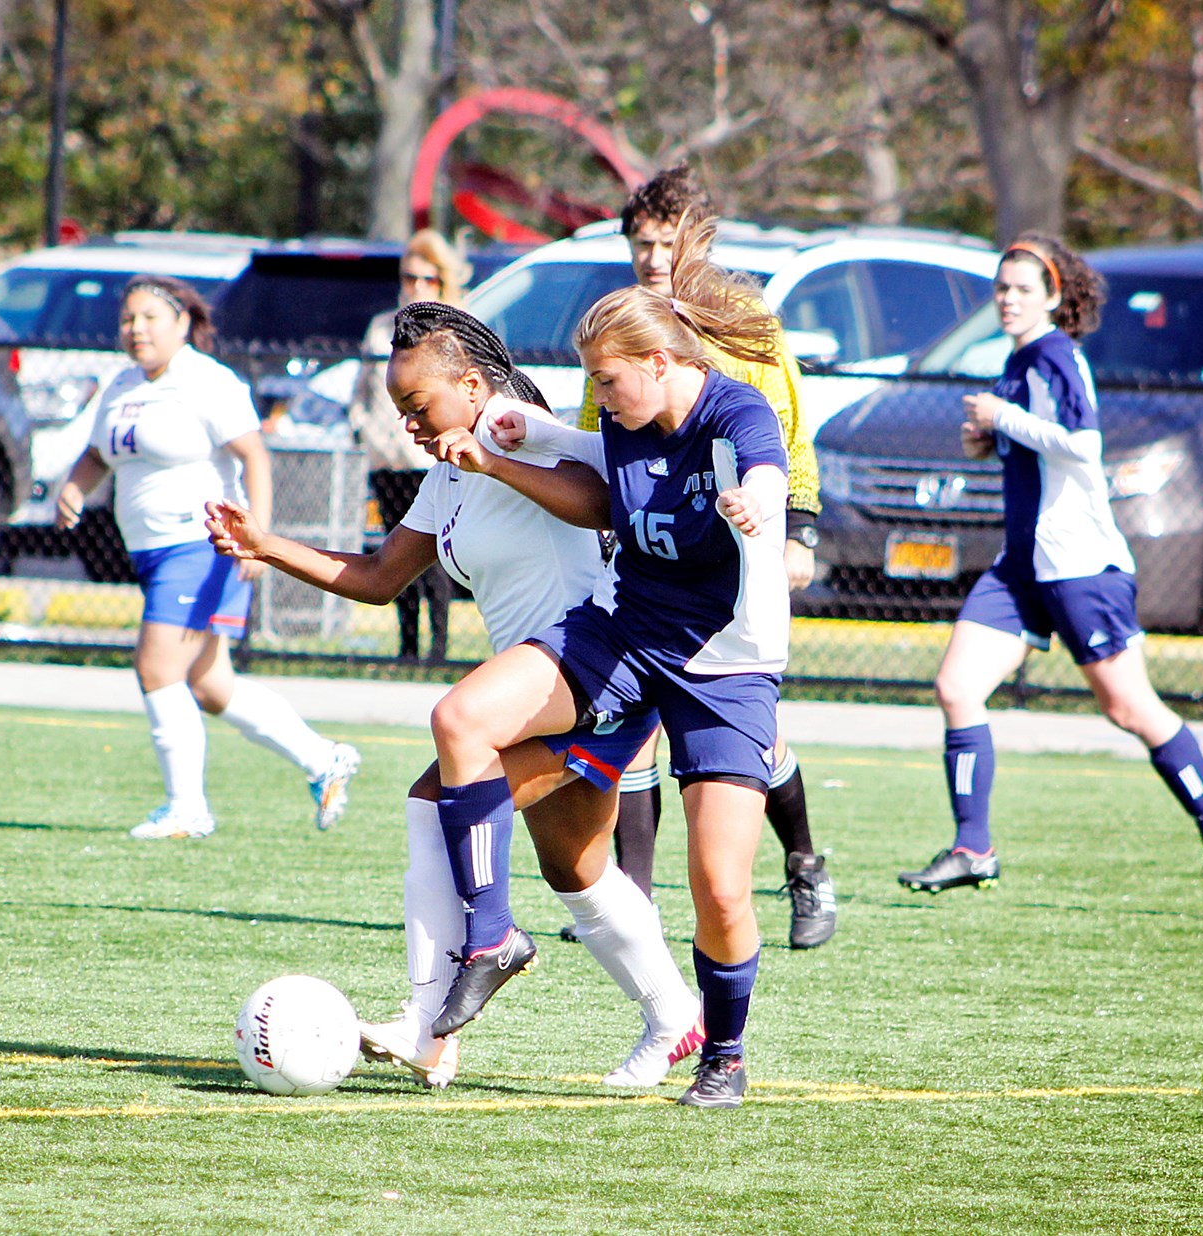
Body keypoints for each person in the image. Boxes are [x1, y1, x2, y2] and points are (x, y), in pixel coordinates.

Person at [207, 301, 705, 1089]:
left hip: (600, 657)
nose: (407, 421)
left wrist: (493, 459)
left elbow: (606, 501)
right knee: (575, 867)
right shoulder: (447, 466)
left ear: (472, 385)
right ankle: (677, 1018)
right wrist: (266, 546)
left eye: (418, 404)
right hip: (542, 680)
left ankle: (454, 988)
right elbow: (377, 580)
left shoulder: (513, 425)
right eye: (400, 408)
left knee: (451, 747)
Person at [423, 211, 792, 1108]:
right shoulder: (626, 417)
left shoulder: (733, 409)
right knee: (460, 723)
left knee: (718, 886)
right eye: (592, 380)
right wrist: (531, 433)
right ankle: (490, 936)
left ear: (661, 365)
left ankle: (723, 1054)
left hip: (725, 668)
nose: (600, 395)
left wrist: (756, 501)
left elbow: (766, 466)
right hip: (622, 635)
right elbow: (612, 462)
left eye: (608, 379)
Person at [897, 233, 1203, 918]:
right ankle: (973, 847)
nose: (1006, 299)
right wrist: (990, 439)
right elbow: (1035, 446)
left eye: (1022, 289)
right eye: (1001, 288)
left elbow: (1083, 448)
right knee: (956, 686)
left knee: (1129, 709)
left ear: (1054, 297)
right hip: (1023, 565)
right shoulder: (1018, 359)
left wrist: (1005, 418)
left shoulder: (1058, 357)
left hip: (1080, 567)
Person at [566, 163, 835, 950]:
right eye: (640, 242)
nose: (653, 255)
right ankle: (634, 903)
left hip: (741, 549)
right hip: (656, 558)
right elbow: (602, 432)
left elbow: (786, 423)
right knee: (636, 727)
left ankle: (805, 862)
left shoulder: (741, 314)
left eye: (666, 239)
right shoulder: (625, 329)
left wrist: (797, 526)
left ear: (696, 236)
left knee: (755, 736)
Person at [56, 274, 360, 839]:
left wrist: (258, 537)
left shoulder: (206, 381)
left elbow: (254, 457)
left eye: (150, 317)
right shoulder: (121, 384)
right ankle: (324, 759)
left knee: (155, 666)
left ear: (182, 324)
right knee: (211, 686)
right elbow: (97, 455)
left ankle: (186, 808)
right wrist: (75, 486)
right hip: (151, 553)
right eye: (128, 319)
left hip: (200, 544)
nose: (136, 328)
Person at [345, 230, 470, 662]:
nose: (416, 287)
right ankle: (407, 647)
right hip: (387, 456)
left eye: (427, 280)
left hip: (429, 459)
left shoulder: (452, 327)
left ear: (443, 282)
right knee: (394, 555)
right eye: (409, 277)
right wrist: (360, 426)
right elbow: (361, 389)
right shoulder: (383, 327)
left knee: (433, 553)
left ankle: (438, 648)